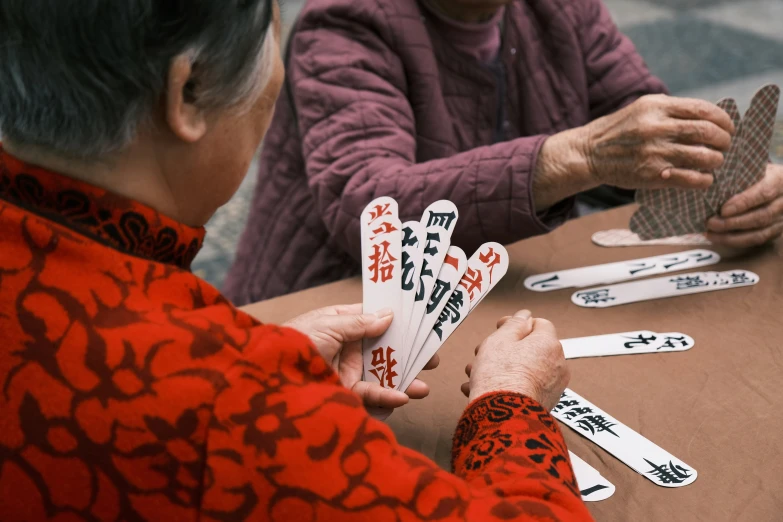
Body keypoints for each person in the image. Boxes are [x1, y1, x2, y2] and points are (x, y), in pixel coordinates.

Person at [0, 1, 593, 520]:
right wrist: (508, 402)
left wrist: (263, 359)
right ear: (190, 90)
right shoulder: (228, 402)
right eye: (269, 35)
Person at [225, 0, 783, 305]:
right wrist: (579, 155)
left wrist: (736, 179)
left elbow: (638, 119)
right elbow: (372, 210)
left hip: (498, 285)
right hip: (334, 304)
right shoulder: (346, 20)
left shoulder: (564, 10)